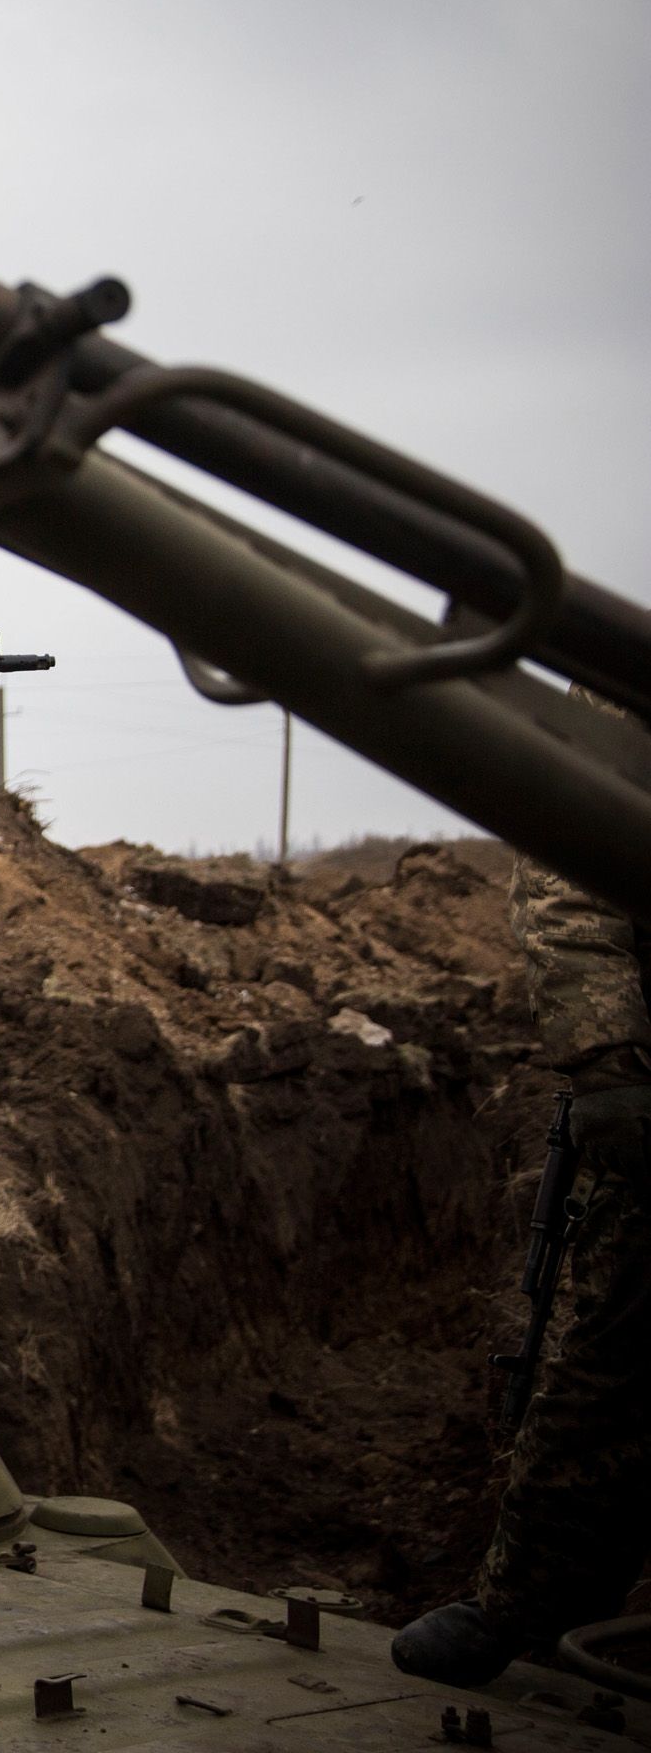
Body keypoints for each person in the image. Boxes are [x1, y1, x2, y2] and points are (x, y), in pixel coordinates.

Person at [394, 700, 651, 1686]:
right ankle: (533, 1599)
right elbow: (571, 871)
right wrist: (608, 1056)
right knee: (601, 1366)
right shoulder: (623, 691)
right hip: (646, 1101)